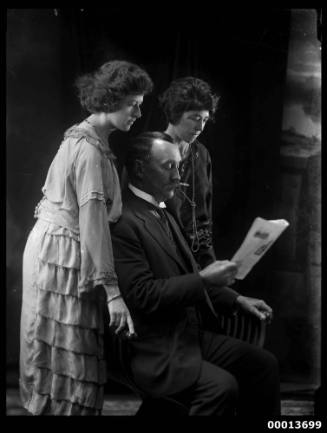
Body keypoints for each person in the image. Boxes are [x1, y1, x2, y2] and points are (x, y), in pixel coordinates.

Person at [110, 132, 280, 416]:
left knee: (264, 365)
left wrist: (236, 300)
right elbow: (143, 296)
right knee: (221, 388)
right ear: (140, 169)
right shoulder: (124, 221)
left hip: (188, 336)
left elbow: (187, 273)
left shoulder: (164, 209)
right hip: (153, 348)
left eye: (179, 166)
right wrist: (204, 279)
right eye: (169, 167)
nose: (178, 176)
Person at [19, 60, 153, 415]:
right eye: (133, 104)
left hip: (59, 246)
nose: (139, 112)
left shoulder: (91, 139)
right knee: (67, 362)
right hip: (60, 255)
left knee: (66, 360)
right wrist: (112, 293)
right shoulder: (89, 150)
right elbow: (93, 224)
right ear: (110, 101)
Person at [158, 77, 219, 269]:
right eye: (194, 118)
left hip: (196, 260)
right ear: (176, 114)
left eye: (205, 120)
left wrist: (210, 265)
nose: (200, 128)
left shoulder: (202, 154)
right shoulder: (148, 151)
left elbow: (204, 219)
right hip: (160, 259)